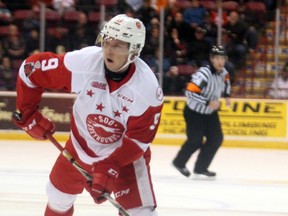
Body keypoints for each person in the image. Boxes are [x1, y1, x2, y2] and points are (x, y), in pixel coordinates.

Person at [12, 14, 163, 216]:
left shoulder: (147, 90)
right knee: (57, 198)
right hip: (80, 147)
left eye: (118, 45)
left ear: (134, 51)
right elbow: (31, 69)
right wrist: (26, 111)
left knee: (141, 213)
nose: (109, 49)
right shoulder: (84, 63)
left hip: (124, 158)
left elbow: (138, 141)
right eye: (107, 41)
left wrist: (110, 166)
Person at [172, 45, 231, 179]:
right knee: (195, 141)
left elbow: (227, 83)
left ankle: (200, 168)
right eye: (217, 58)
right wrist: (208, 102)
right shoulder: (204, 73)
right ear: (211, 59)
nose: (220, 61)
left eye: (222, 58)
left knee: (216, 139)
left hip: (210, 113)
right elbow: (190, 92)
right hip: (194, 112)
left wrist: (227, 96)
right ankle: (178, 162)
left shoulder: (224, 73)